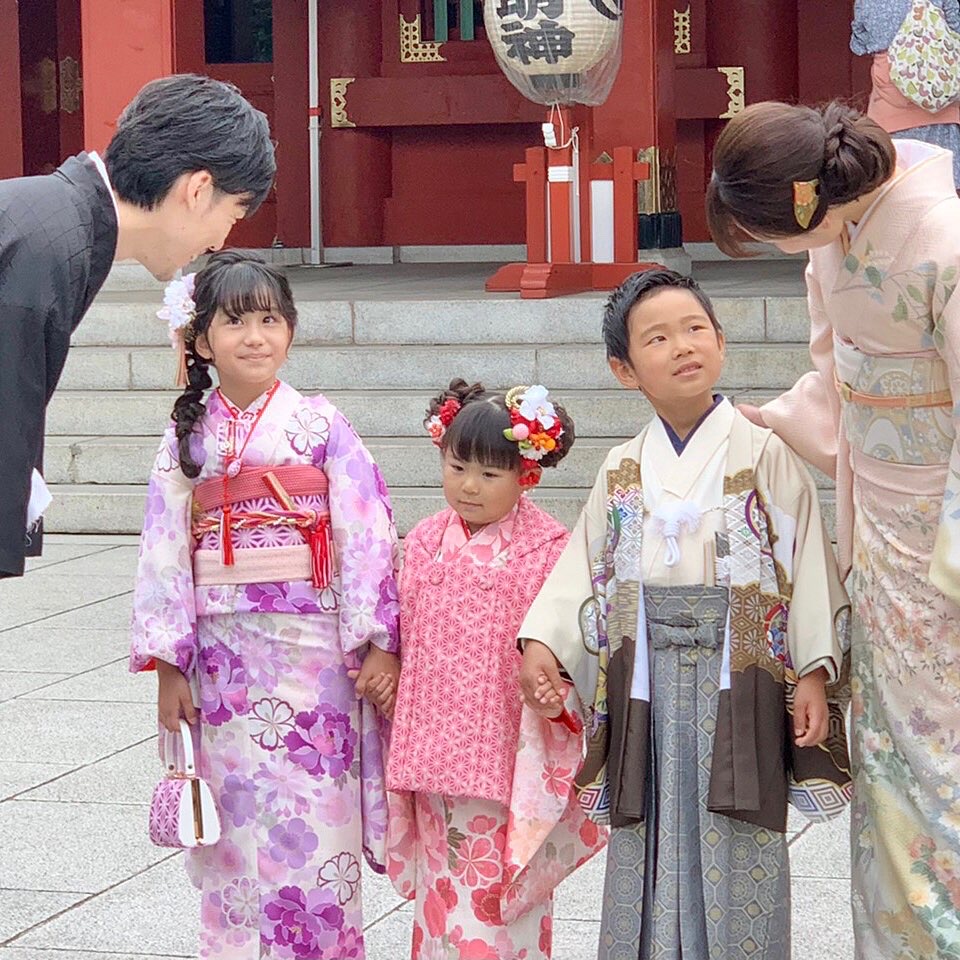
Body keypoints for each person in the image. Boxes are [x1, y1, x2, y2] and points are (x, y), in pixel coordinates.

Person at [518, 269, 852, 959]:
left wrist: (814, 670)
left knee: (741, 829)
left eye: (696, 329)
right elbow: (584, 566)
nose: (683, 346)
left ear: (722, 343)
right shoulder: (621, 467)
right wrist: (544, 642)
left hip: (744, 678)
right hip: (647, 680)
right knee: (648, 830)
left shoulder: (763, 451)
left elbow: (806, 557)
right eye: (658, 338)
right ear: (623, 369)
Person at [707, 100, 960, 959]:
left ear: (808, 202)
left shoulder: (943, 232)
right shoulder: (836, 234)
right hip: (883, 535)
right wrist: (772, 418)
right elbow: (838, 379)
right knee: (891, 761)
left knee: (940, 761)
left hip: (943, 538)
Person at [129, 251, 400, 960]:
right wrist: (168, 662)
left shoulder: (320, 425)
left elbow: (368, 530)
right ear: (201, 341)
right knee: (232, 821)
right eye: (235, 320)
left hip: (314, 660)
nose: (255, 335)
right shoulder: (188, 437)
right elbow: (163, 545)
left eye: (270, 319)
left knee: (318, 816)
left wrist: (377, 639)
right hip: (220, 660)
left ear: (291, 330)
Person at [0, 72, 275, 579]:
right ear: (198, 190)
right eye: (234, 214)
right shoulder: (50, 246)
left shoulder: (53, 221)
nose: (219, 242)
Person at [384, 379, 606, 959]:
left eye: (490, 474)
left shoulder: (547, 547)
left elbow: (572, 635)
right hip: (430, 751)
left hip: (507, 754)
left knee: (495, 892)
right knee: (439, 894)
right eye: (458, 467)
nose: (469, 486)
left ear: (525, 475)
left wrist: (554, 677)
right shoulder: (426, 538)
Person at [851, 0, 960, 187]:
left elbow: (859, 45)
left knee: (893, 183)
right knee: (942, 185)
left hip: (890, 99)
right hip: (939, 94)